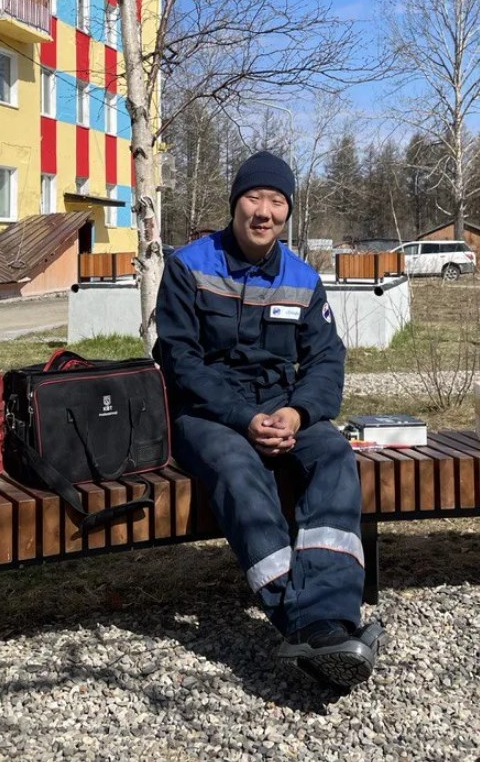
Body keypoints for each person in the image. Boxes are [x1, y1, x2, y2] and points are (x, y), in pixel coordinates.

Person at [155, 150, 383, 692]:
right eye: (254, 198)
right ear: (235, 203)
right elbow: (179, 360)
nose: (264, 212)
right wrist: (245, 418)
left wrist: (297, 412)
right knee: (238, 469)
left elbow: (326, 359)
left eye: (276, 201)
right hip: (207, 413)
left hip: (282, 408)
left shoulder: (302, 278)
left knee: (333, 455)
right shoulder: (189, 266)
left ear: (288, 211)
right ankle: (308, 623)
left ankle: (328, 617)